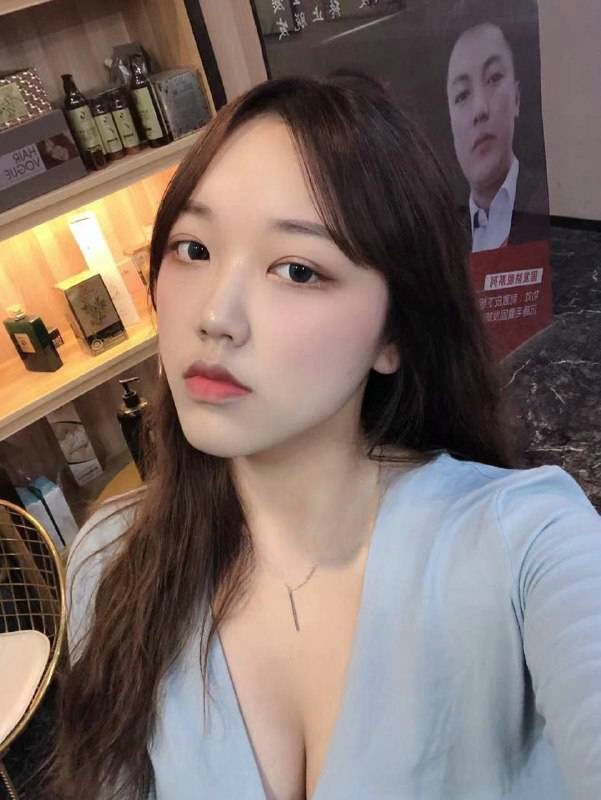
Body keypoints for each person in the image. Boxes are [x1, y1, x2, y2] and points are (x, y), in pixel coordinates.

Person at [48, 74, 600, 799]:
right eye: (192, 248)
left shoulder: (525, 544)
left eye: (297, 270)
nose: (215, 316)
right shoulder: (111, 561)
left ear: (395, 333)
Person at [446, 17, 549, 252]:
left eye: (493, 78)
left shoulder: (549, 204)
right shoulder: (443, 239)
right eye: (462, 95)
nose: (480, 110)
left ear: (517, 98)